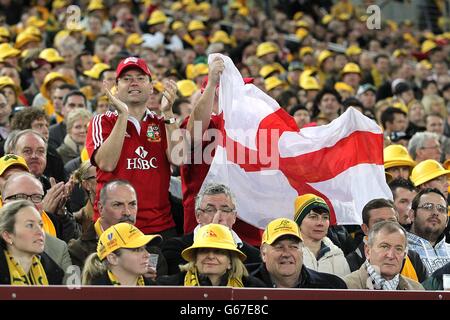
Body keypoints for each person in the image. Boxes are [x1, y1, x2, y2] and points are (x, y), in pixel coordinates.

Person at [85, 57, 180, 238]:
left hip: (159, 227)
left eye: (140, 78)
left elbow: (179, 159)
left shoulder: (163, 123)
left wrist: (168, 113)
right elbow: (106, 163)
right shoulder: (102, 121)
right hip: (114, 227)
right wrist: (123, 115)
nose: (134, 83)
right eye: (127, 79)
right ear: (117, 87)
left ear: (151, 87)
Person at [180, 56, 261, 246]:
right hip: (204, 231)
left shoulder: (254, 130)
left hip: (248, 232)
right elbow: (193, 134)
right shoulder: (202, 125)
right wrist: (212, 85)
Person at [68, 179, 166, 278]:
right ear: (100, 209)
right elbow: (75, 291)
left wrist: (148, 284)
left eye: (132, 204)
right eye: (118, 205)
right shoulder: (77, 250)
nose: (127, 212)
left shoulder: (152, 251)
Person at [161, 183, 261, 275]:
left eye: (225, 210)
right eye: (210, 210)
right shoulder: (175, 249)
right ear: (198, 216)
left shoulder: (254, 256)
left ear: (234, 217)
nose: (217, 217)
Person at [2, 172, 72, 272]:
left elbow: (68, 287)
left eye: (36, 197)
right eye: (20, 197)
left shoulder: (58, 248)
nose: (29, 204)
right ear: (5, 203)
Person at [345, 198, 427, 283]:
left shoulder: (413, 258)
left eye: (392, 221)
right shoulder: (352, 262)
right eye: (379, 223)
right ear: (365, 229)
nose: (387, 226)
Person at [157, 223, 265, 287]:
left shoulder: (254, 288)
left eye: (219, 251)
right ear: (195, 258)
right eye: (204, 251)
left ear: (230, 262)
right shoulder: (167, 287)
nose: (211, 256)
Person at [251, 217, 347, 288]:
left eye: (293, 247)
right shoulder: (242, 285)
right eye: (279, 247)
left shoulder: (332, 287)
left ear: (302, 251)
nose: (286, 254)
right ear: (264, 253)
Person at [344, 221, 424, 290]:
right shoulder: (345, 287)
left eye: (398, 249)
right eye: (384, 247)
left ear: (404, 255)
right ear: (368, 251)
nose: (391, 255)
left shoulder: (417, 290)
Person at [0, 200, 64, 285]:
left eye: (41, 225)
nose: (40, 231)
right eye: (30, 225)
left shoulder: (53, 273)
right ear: (7, 236)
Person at [82, 222, 159, 285]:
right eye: (137, 250)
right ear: (113, 258)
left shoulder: (155, 292)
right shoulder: (94, 295)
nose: (147, 254)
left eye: (144, 248)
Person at [293, 194, 351, 277]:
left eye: (325, 217)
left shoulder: (337, 254)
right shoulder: (290, 253)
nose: (320, 223)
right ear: (299, 222)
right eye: (313, 217)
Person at [407, 188, 450, 276]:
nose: (435, 212)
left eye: (441, 209)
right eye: (428, 207)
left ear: (447, 221)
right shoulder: (400, 249)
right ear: (412, 215)